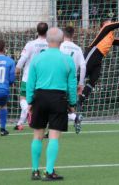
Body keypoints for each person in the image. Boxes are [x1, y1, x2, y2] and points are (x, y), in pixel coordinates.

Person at [27, 28, 77, 181]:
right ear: (62, 40)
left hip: (40, 98)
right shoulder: (67, 59)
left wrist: (30, 101)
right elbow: (72, 84)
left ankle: (35, 171)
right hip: (58, 99)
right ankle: (49, 171)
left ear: (47, 40)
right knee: (54, 136)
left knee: (37, 136)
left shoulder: (37, 58)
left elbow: (31, 82)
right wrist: (72, 103)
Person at [80, 19, 119, 103]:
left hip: (99, 58)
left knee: (94, 78)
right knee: (81, 75)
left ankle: (81, 99)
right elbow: (117, 24)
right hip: (92, 52)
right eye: (109, 22)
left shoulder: (111, 37)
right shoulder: (105, 28)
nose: (111, 22)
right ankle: (65, 94)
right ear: (103, 25)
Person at [14, 22, 48, 130]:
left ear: (37, 31)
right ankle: (20, 123)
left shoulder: (30, 44)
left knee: (23, 99)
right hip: (43, 78)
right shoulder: (50, 44)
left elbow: (22, 59)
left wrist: (17, 69)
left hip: (28, 77)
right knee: (40, 101)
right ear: (47, 32)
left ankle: (28, 112)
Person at [60, 26, 85, 134]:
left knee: (55, 104)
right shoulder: (78, 48)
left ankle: (74, 118)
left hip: (59, 79)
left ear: (62, 35)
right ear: (73, 35)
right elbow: (83, 66)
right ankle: (75, 118)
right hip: (72, 80)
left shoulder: (59, 47)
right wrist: (81, 83)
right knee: (70, 104)